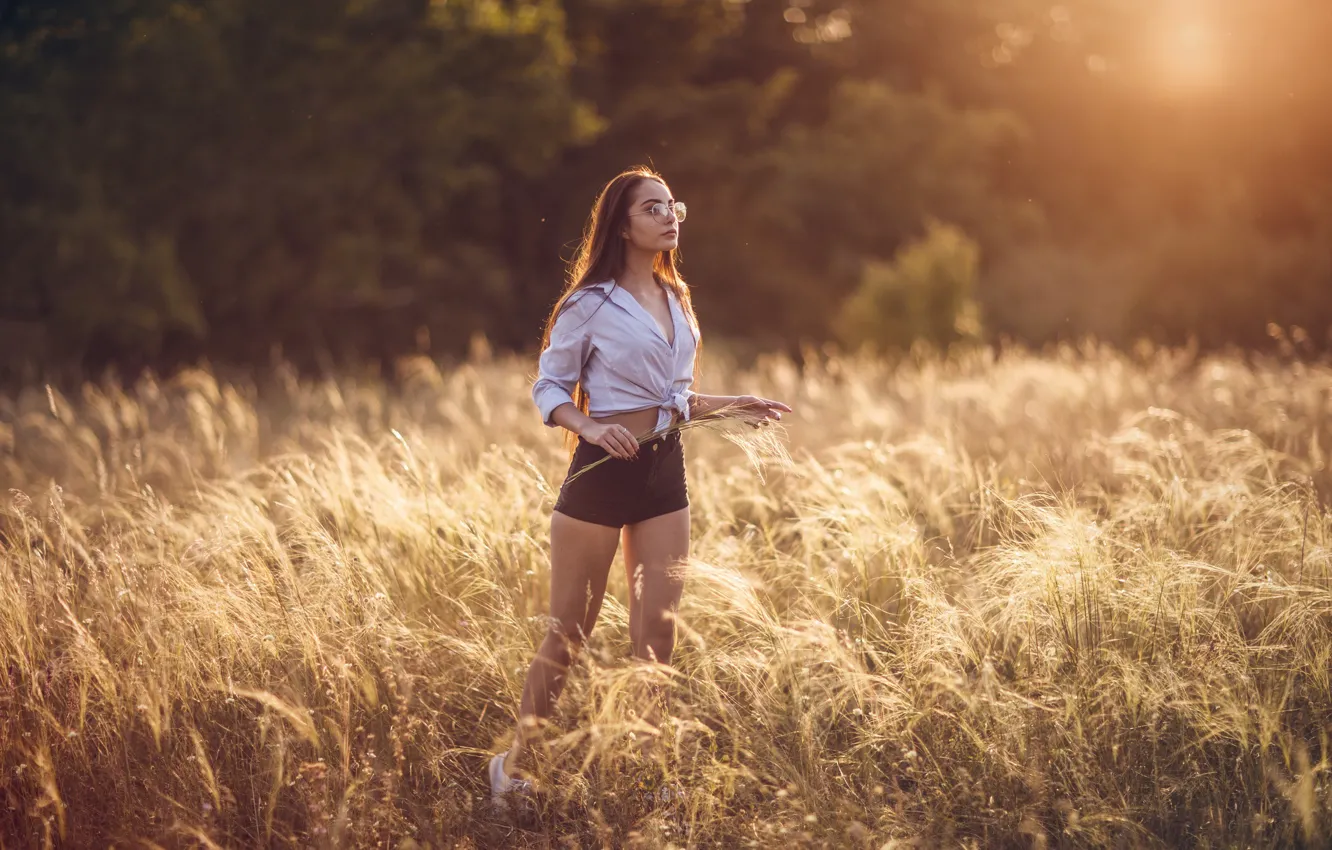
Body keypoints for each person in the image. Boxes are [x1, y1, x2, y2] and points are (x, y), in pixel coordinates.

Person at [488, 167, 792, 809]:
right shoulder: (589, 303)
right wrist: (590, 427)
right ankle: (513, 767)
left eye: (672, 205)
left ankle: (651, 780)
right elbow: (548, 387)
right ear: (621, 225)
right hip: (600, 477)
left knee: (657, 636)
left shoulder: (676, 296)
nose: (669, 215)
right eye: (652, 208)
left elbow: (674, 399)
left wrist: (731, 403)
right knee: (570, 632)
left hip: (663, 473)